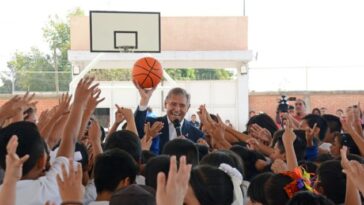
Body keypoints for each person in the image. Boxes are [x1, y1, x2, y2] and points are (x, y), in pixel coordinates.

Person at [134, 85, 204, 154]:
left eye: (182, 105)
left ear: (188, 107)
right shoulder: (152, 124)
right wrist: (144, 100)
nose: (177, 109)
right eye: (173, 104)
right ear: (165, 104)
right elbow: (135, 129)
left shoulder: (197, 135)